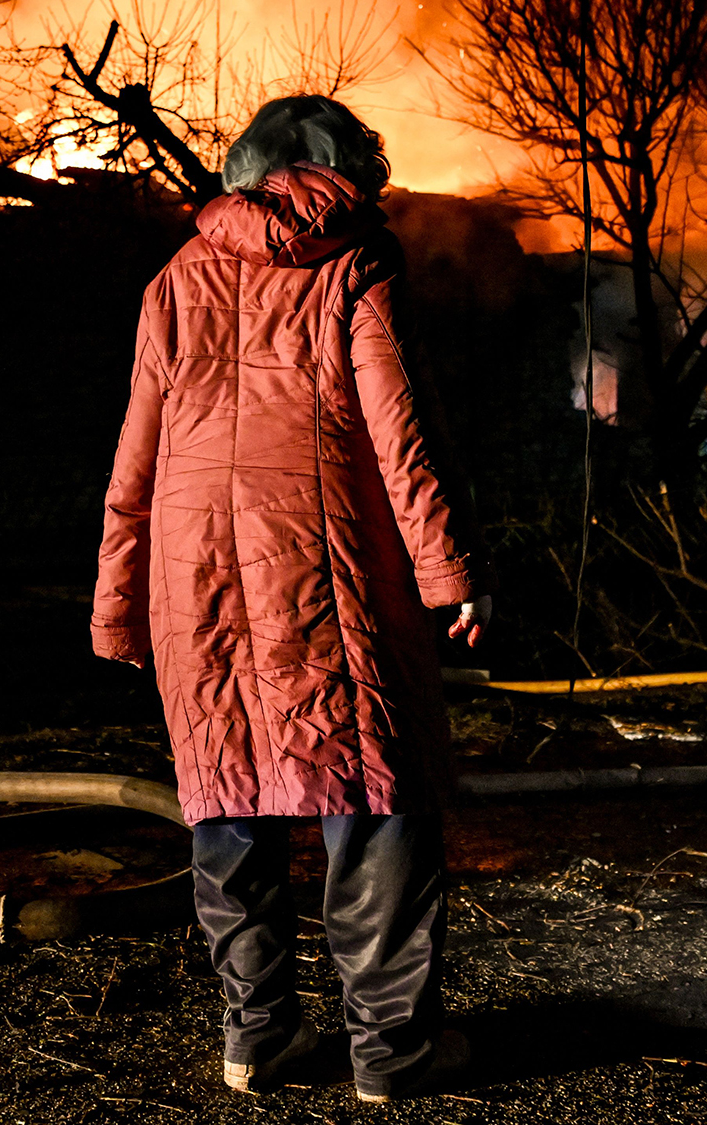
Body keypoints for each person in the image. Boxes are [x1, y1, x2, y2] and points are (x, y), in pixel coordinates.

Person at [90, 94, 496, 1103]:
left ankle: (256, 1039)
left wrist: (116, 602)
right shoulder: (354, 264)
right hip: (320, 560)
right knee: (371, 793)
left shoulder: (173, 278)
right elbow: (399, 436)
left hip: (192, 576)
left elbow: (132, 459)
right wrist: (448, 572)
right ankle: (389, 1051)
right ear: (342, 173)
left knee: (227, 795)